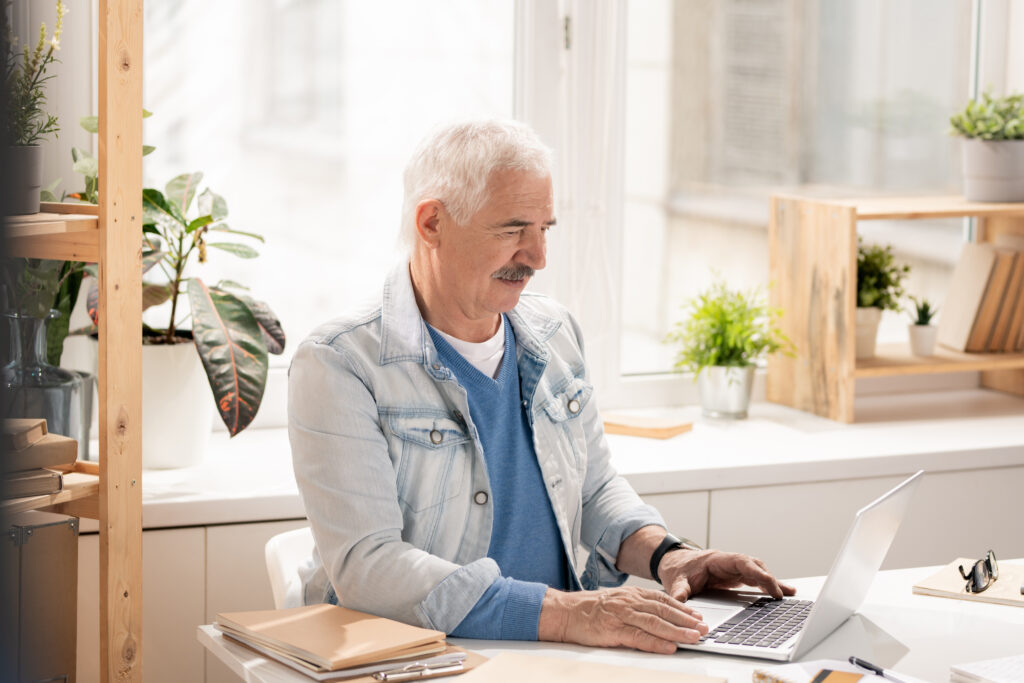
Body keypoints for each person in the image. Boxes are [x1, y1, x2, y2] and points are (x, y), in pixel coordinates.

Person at [287, 119, 794, 654]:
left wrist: (669, 555)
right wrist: (569, 613)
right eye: (512, 230)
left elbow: (593, 488)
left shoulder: (556, 334)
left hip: (559, 653)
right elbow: (369, 568)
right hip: (429, 660)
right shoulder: (340, 363)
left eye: (544, 229)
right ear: (433, 222)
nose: (537, 257)